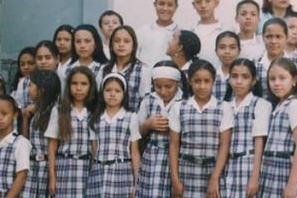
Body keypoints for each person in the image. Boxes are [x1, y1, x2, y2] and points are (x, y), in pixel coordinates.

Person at [169, 60, 234, 197]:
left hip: (212, 170)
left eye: (206, 81)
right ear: (189, 81)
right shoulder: (179, 107)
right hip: (186, 170)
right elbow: (174, 145)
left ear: (213, 81)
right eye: (197, 81)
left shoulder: (223, 108)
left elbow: (224, 145)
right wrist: (175, 179)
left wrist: (215, 177)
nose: (202, 86)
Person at [85, 73, 142, 197]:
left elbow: (135, 152)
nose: (112, 94)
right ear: (102, 93)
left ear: (124, 94)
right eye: (108, 90)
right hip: (99, 171)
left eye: (117, 91)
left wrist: (136, 183)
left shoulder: (130, 117)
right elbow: (94, 149)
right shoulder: (96, 118)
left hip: (122, 171)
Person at [136, 61, 188, 198]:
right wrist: (147, 125)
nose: (163, 91)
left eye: (168, 87)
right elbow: (136, 133)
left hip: (177, 157)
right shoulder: (148, 100)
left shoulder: (185, 101)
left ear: (178, 83)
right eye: (158, 87)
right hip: (153, 156)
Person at [259, 58, 297, 198]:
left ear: (294, 80)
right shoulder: (278, 107)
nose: (277, 83)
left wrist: (292, 183)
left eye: (282, 78)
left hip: (284, 168)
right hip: (270, 167)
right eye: (272, 79)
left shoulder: (295, 105)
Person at [223, 58, 271, 196]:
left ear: (254, 80)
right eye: (234, 76)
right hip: (229, 165)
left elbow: (259, 141)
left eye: (245, 77)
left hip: (249, 164)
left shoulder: (260, 104)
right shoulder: (226, 106)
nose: (239, 81)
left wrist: (255, 177)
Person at [54, 66, 99, 197]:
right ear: (68, 86)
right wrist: (52, 176)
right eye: (74, 83)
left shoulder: (95, 112)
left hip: (87, 167)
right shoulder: (60, 110)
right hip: (64, 166)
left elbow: (94, 145)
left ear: (91, 86)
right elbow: (52, 146)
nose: (78, 88)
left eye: (84, 84)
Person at [20, 70, 61, 198]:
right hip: (33, 166)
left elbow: (52, 146)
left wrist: (52, 176)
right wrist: (26, 118)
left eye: (31, 86)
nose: (28, 89)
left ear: (42, 90)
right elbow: (26, 142)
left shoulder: (54, 111)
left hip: (46, 166)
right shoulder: (36, 110)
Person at [99, 26, 152, 112]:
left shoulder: (142, 70)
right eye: (117, 41)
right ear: (111, 45)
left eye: (126, 41)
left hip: (133, 120)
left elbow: (145, 101)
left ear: (134, 45)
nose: (121, 45)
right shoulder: (104, 69)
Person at [137, 0, 183, 66]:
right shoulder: (142, 32)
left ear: (176, 7)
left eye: (170, 5)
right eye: (161, 4)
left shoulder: (180, 34)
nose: (165, 8)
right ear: (155, 4)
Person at [256, 18, 297, 93]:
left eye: (278, 37)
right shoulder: (256, 64)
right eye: (269, 37)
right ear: (263, 38)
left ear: (286, 37)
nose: (273, 41)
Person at [189, 0, 231, 64]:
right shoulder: (191, 30)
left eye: (208, 1)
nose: (203, 5)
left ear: (216, 3)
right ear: (193, 5)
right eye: (198, 2)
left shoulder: (226, 29)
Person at [213, 31, 240, 100]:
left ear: (239, 51)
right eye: (222, 47)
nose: (227, 51)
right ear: (216, 51)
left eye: (232, 47)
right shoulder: (211, 77)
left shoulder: (244, 77)